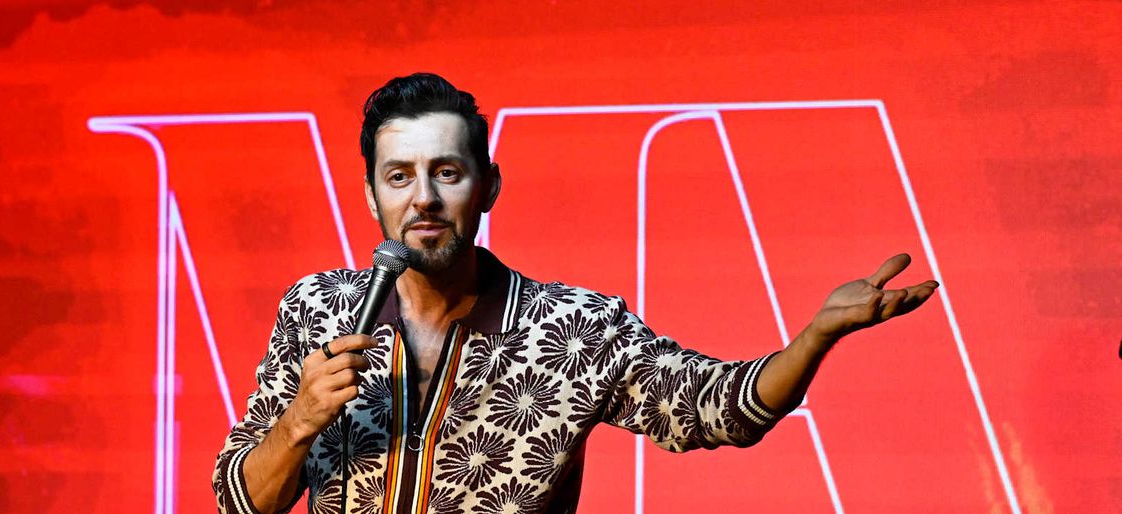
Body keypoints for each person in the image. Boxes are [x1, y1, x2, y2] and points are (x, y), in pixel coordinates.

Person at [212, 73, 940, 514]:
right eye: (399, 176)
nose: (423, 197)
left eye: (447, 172)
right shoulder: (319, 309)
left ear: (488, 186)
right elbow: (242, 500)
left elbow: (718, 409)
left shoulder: (576, 328)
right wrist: (299, 421)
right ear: (373, 196)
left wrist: (815, 336)